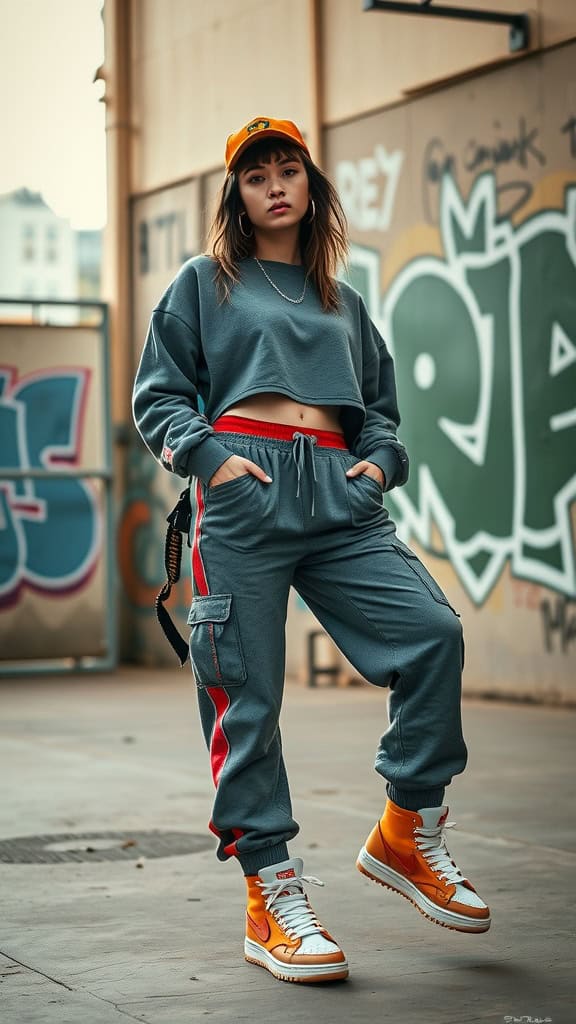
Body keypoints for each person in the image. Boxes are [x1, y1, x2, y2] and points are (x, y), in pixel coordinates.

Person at [132, 115, 490, 985]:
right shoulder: (203, 284)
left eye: (289, 170)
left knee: (432, 635)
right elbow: (159, 395)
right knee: (245, 697)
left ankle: (408, 830)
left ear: (311, 187)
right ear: (238, 196)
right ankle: (271, 894)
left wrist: (379, 466)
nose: (275, 186)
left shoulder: (342, 299)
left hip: (339, 496)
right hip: (244, 497)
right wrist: (214, 462)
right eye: (257, 176)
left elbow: (380, 409)